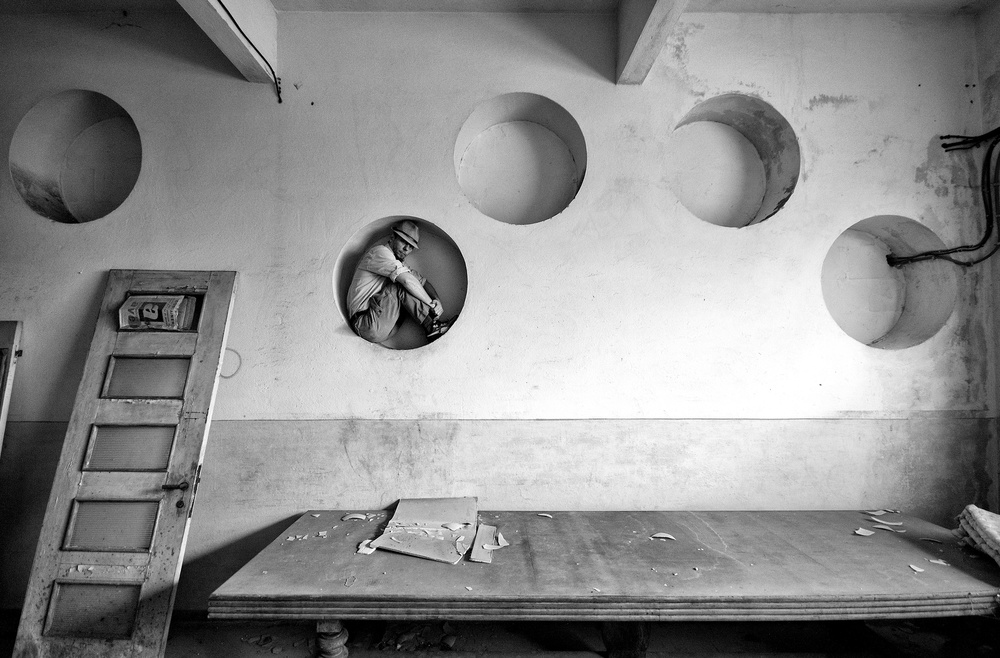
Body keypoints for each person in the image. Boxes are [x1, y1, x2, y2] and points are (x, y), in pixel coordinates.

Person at [347, 219, 454, 344]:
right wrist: (431, 305)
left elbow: (423, 282)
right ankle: (431, 326)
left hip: (386, 326)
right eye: (403, 242)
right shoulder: (379, 252)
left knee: (412, 282)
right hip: (365, 322)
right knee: (402, 283)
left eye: (411, 246)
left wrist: (437, 301)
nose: (406, 248)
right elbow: (407, 281)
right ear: (393, 237)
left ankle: (432, 325)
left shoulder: (400, 265)